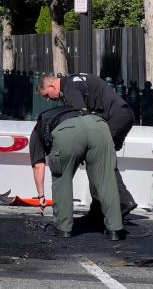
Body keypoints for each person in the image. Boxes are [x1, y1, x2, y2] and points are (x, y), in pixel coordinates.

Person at [38, 73, 137, 222]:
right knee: (96, 158)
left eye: (47, 95)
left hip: (115, 117)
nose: (48, 99)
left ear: (52, 86)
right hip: (121, 115)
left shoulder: (70, 88)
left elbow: (81, 117)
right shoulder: (73, 80)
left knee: (99, 158)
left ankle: (123, 201)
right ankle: (97, 210)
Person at [29, 106, 124, 240]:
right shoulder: (70, 112)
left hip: (67, 132)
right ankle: (115, 229)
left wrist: (41, 196)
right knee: (106, 179)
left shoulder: (37, 129)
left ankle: (63, 227)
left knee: (62, 179)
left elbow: (38, 166)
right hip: (98, 125)